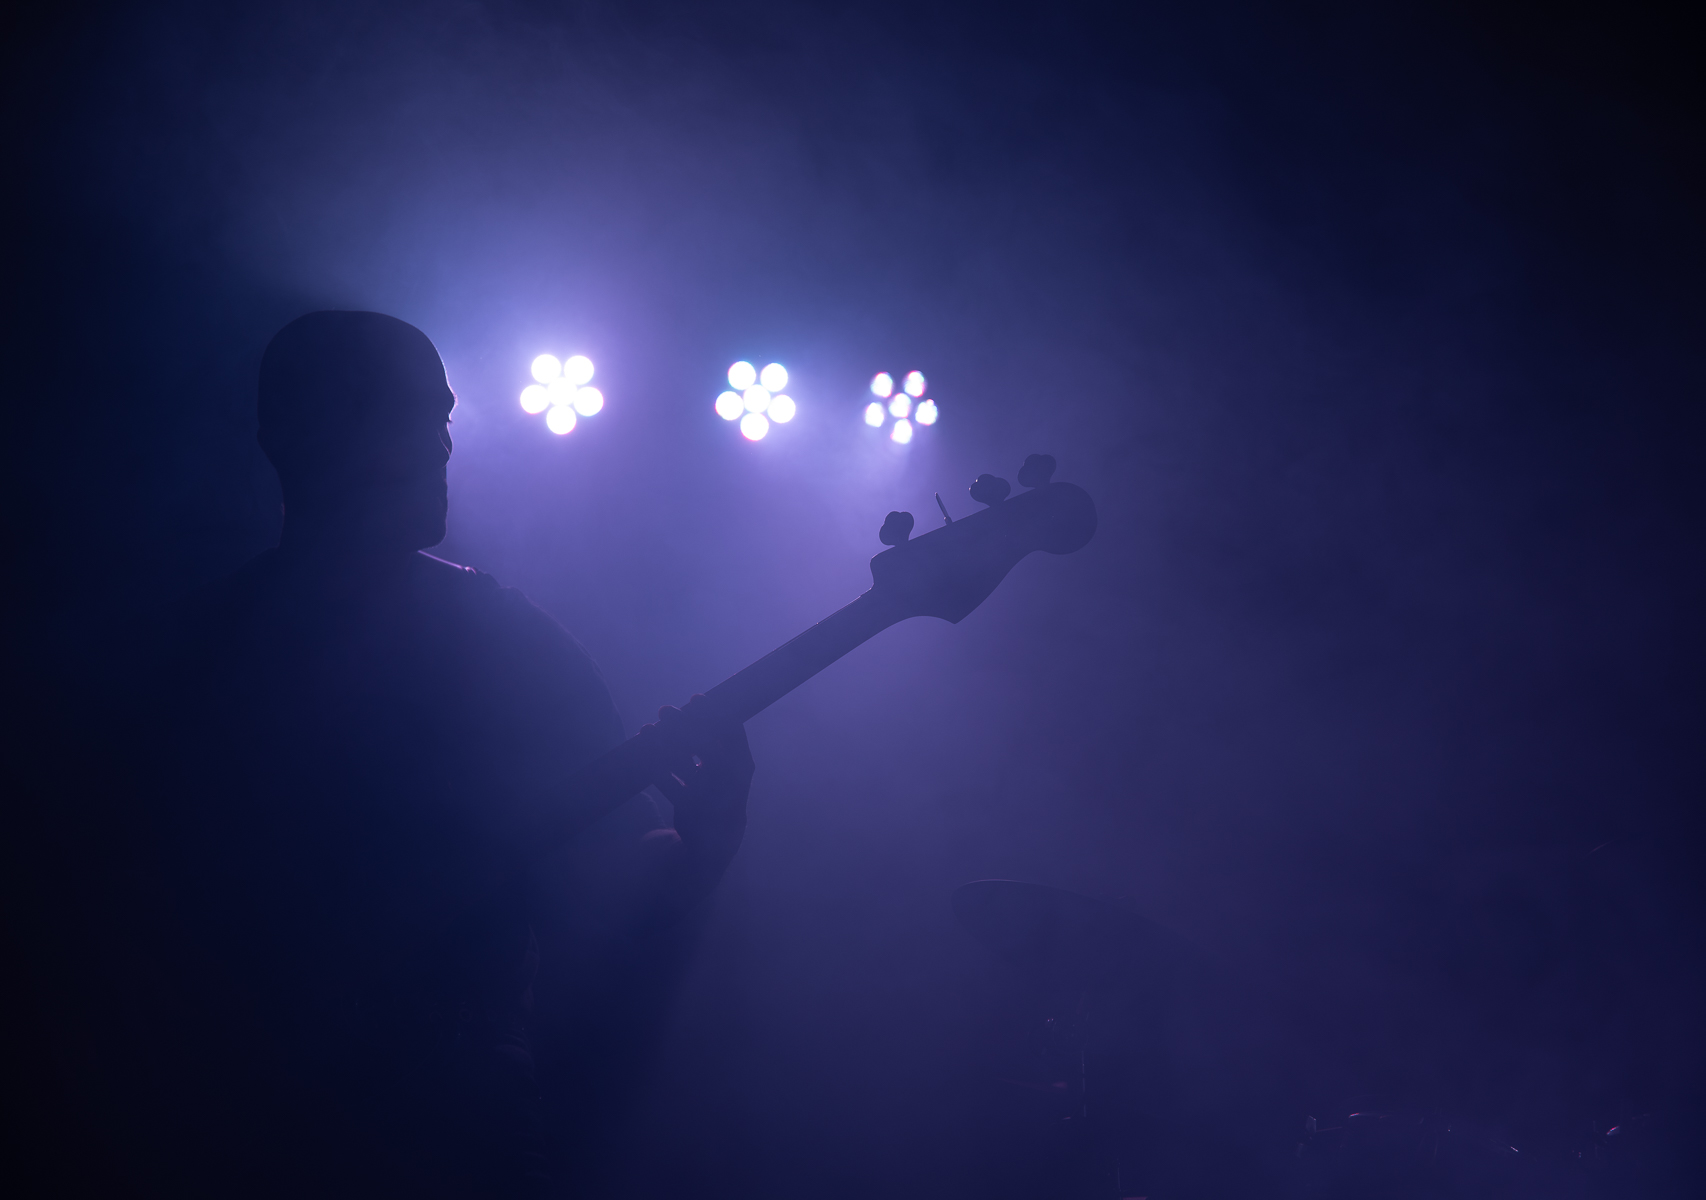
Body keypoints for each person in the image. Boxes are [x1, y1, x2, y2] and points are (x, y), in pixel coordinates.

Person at [137, 310, 752, 1196]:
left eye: (443, 417)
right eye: (403, 416)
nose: (439, 448)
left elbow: (617, 885)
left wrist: (702, 849)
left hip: (426, 1128)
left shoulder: (502, 641)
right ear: (293, 437)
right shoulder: (192, 656)